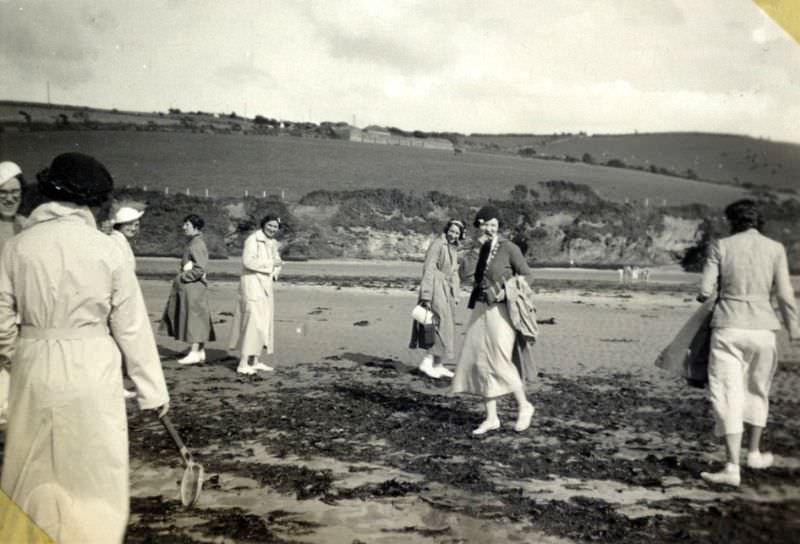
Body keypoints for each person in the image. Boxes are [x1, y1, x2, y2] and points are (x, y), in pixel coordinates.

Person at [0, 152, 169, 543]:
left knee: (31, 467)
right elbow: (132, 328)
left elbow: (1, 317)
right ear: (94, 201)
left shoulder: (18, 247)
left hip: (34, 359)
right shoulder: (108, 249)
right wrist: (153, 391)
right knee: (94, 470)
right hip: (91, 362)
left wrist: (19, 353)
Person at [697, 199, 800, 487]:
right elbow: (784, 293)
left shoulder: (721, 246)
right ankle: (754, 453)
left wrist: (706, 294)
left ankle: (732, 467)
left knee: (728, 394)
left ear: (732, 221)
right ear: (758, 221)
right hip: (763, 329)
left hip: (728, 325)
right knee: (757, 389)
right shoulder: (775, 248)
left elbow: (705, 290)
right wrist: (794, 329)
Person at [451, 206, 536, 435]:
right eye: (485, 224)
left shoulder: (509, 248)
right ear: (479, 226)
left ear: (499, 226)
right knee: (479, 360)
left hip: (502, 310)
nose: (489, 228)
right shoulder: (478, 248)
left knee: (499, 359)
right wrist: (477, 247)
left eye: (493, 225)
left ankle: (524, 405)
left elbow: (527, 275)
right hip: (479, 307)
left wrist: (506, 290)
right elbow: (464, 274)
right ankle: (491, 418)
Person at [229, 215, 283, 375]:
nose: (272, 229)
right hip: (252, 285)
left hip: (265, 286)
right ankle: (243, 363)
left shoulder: (273, 243)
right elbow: (248, 262)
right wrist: (271, 265)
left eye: (275, 227)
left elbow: (278, 261)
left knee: (262, 324)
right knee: (251, 323)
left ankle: (255, 360)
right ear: (263, 224)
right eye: (270, 225)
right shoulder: (253, 240)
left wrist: (274, 272)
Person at [410, 219, 464, 379]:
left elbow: (454, 273)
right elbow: (428, 268)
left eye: (457, 233)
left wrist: (456, 294)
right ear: (447, 230)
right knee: (436, 325)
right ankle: (427, 362)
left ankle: (438, 364)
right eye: (452, 231)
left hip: (446, 290)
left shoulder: (454, 248)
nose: (453, 234)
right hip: (435, 287)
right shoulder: (438, 244)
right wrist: (426, 294)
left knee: (447, 326)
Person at [159, 214, 216, 364]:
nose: (184, 227)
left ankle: (194, 352)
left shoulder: (197, 244)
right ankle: (199, 351)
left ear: (195, 227)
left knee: (194, 319)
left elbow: (200, 268)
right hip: (194, 287)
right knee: (197, 318)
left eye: (187, 224)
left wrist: (183, 277)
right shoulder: (195, 242)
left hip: (193, 288)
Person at [0, 161, 26, 427]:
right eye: (3, 193)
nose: (10, 198)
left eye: (15, 192)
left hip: (19, 322)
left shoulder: (26, 225)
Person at [109, 204, 144, 272]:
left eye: (136, 225)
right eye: (129, 224)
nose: (133, 228)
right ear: (119, 225)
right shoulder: (116, 242)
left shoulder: (122, 241)